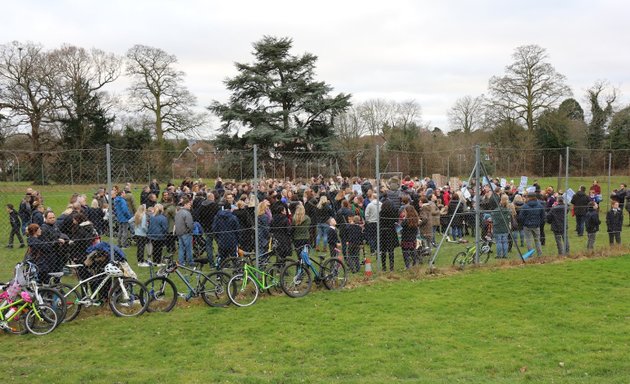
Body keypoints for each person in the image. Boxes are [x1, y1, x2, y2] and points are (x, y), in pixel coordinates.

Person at [518, 192, 545, 257]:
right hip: (536, 226)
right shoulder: (540, 205)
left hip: (527, 226)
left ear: (529, 197)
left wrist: (524, 223)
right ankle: (540, 254)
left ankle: (531, 255)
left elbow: (521, 217)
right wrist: (539, 223)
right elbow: (543, 216)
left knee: (528, 240)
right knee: (537, 240)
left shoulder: (525, 206)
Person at [379, 199, 399, 271]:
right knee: (391, 251)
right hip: (391, 232)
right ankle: (391, 267)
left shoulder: (381, 213)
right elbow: (395, 221)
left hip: (383, 232)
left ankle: (384, 267)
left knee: (383, 250)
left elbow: (380, 222)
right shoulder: (393, 213)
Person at [175, 198, 194, 266]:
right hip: (186, 233)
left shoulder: (178, 212)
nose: (190, 206)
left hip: (179, 233)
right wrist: (191, 230)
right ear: (185, 204)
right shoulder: (187, 213)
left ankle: (181, 262)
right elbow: (189, 224)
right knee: (188, 249)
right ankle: (190, 262)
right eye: (189, 204)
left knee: (181, 249)